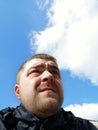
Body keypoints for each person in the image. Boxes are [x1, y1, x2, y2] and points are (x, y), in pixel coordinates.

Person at [0, 53, 97, 130]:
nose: (49, 76)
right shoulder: (3, 122)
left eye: (55, 73)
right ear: (18, 91)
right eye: (35, 72)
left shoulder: (85, 127)